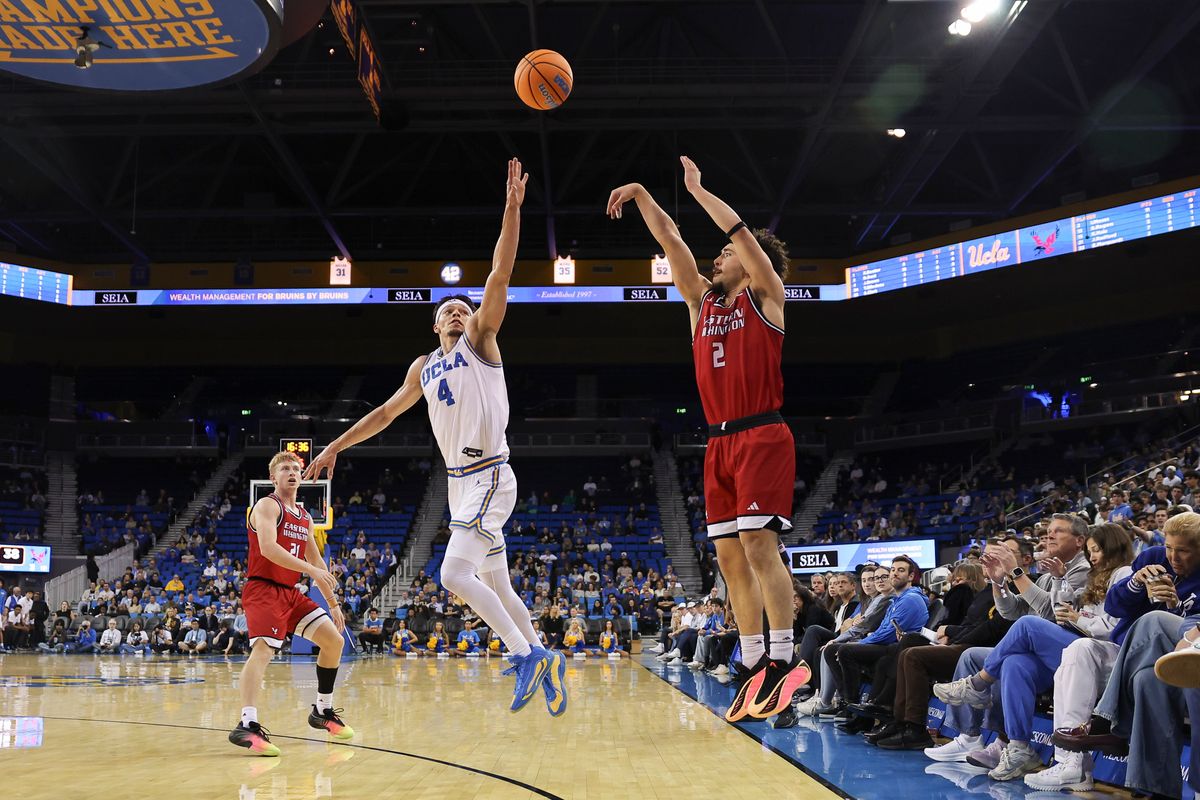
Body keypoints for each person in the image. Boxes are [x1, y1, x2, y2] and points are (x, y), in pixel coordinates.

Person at [307, 160, 566, 718]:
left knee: (453, 575)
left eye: (462, 308)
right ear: (433, 325)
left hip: (491, 473)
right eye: (446, 309)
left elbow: (499, 273)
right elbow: (382, 414)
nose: (456, 312)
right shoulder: (423, 367)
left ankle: (526, 655)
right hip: (458, 484)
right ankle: (544, 655)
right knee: (497, 581)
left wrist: (513, 209)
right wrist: (334, 447)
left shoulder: (480, 342)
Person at [608, 156, 807, 723]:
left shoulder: (767, 296)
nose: (715, 259)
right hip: (718, 443)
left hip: (763, 433)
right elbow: (671, 242)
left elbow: (741, 237)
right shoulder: (702, 307)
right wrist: (646, 192)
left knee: (757, 545)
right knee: (727, 556)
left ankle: (782, 659)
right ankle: (751, 662)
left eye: (724, 255)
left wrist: (699, 190)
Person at [229, 452, 354, 757]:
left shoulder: (305, 517)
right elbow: (269, 548)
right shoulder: (267, 506)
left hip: (289, 592)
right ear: (273, 477)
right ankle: (247, 722)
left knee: (334, 642)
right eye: (285, 468)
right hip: (263, 589)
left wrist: (333, 604)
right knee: (263, 651)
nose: (292, 472)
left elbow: (317, 561)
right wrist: (311, 571)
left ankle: (321, 711)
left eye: (296, 468)